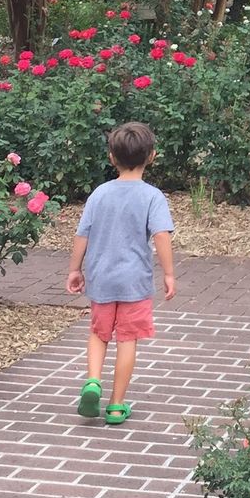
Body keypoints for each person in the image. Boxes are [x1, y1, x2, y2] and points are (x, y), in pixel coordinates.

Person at [66, 120, 175, 424]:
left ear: (111, 157)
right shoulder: (152, 196)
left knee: (99, 334)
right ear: (151, 156)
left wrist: (75, 269)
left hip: (101, 279)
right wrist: (168, 274)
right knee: (127, 339)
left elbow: (81, 235)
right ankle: (115, 405)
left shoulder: (99, 194)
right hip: (134, 283)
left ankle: (92, 380)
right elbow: (162, 235)